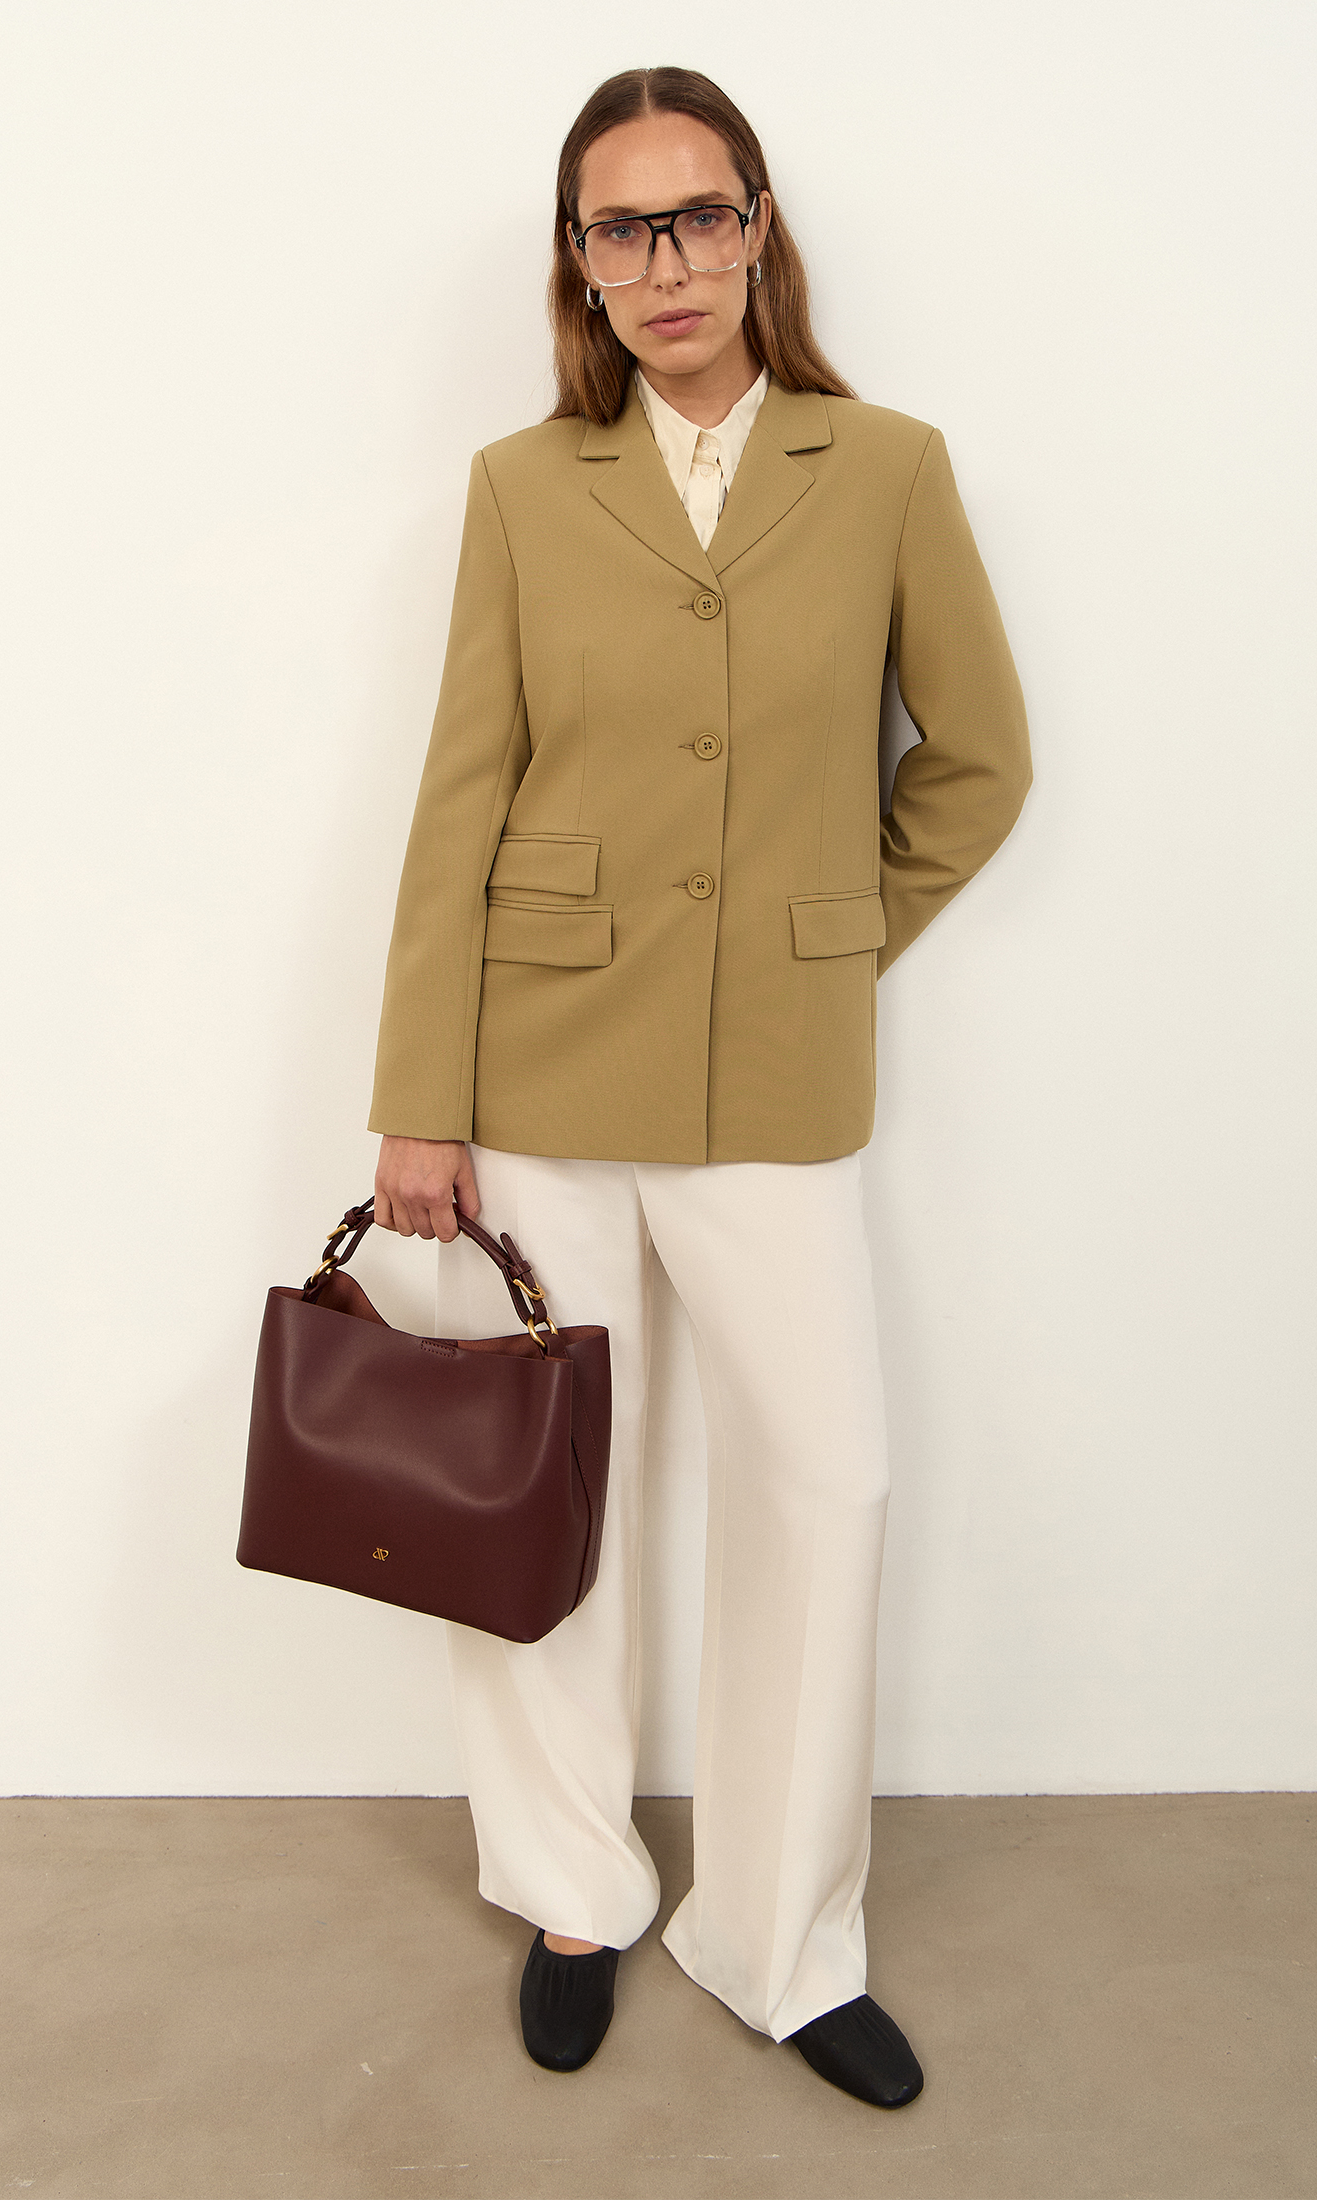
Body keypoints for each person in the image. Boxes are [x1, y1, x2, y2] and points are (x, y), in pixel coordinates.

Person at [368, 65, 1031, 2108]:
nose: (665, 261)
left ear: (758, 228)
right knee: (542, 1486)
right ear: (579, 261)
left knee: (824, 1483)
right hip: (538, 1067)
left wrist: (831, 934)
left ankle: (781, 1935)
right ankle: (574, 1887)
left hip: (775, 1079)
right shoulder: (521, 486)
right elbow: (461, 796)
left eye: (699, 214)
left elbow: (979, 761)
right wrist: (418, 1097)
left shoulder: (889, 465)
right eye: (620, 227)